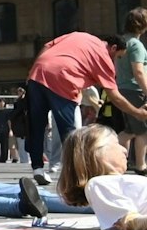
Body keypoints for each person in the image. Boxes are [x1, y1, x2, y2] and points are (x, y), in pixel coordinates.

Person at [23, 31, 146, 184]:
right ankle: (75, 174)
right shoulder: (104, 59)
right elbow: (115, 97)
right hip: (64, 78)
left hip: (38, 72)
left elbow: (47, 46)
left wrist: (32, 70)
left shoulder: (80, 35)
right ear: (113, 48)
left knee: (36, 125)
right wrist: (137, 113)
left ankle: (37, 168)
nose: (115, 62)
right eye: (118, 57)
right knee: (68, 132)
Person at [58, 125, 147, 230]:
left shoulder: (111, 183)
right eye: (116, 144)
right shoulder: (97, 184)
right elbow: (129, 222)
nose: (124, 149)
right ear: (97, 152)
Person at [114, 8, 147, 172]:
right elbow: (139, 71)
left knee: (130, 130)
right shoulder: (137, 45)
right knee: (143, 130)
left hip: (123, 89)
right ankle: (141, 165)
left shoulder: (123, 41)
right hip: (136, 90)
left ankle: (116, 160)